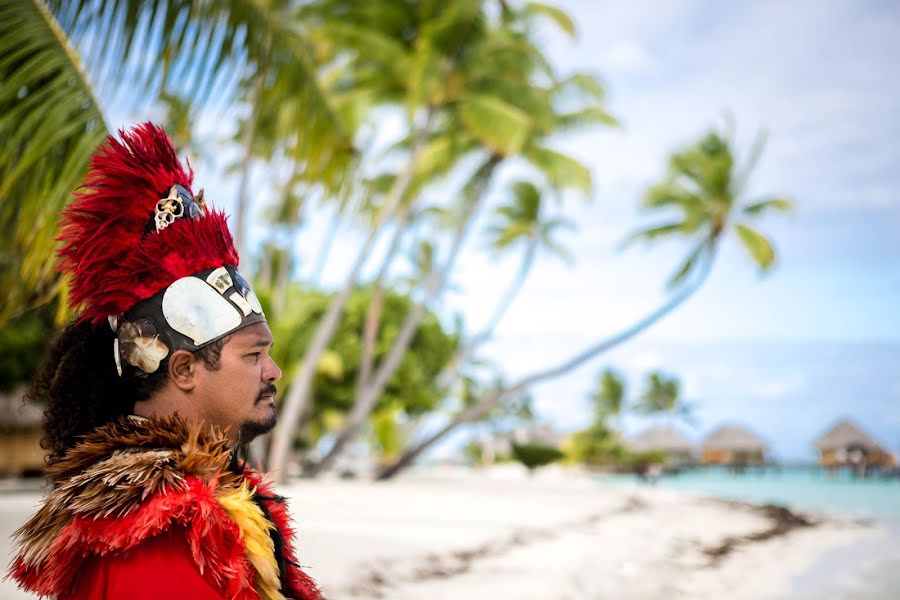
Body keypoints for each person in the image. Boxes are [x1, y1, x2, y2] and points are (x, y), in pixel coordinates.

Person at [7, 123, 320, 599]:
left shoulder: (212, 496)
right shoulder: (154, 530)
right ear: (184, 370)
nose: (273, 371)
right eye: (253, 354)